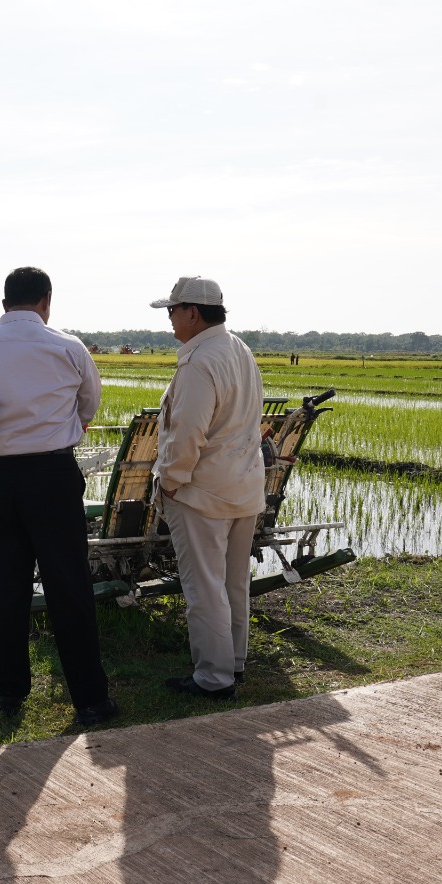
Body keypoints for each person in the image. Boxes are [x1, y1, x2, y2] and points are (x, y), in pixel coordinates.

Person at [0, 266, 117, 726]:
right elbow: (89, 405)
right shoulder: (69, 346)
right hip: (52, 475)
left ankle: (9, 694)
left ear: (4, 305)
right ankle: (90, 700)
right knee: (69, 585)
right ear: (47, 301)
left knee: (2, 587)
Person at [150, 275, 265, 700]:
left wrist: (172, 482)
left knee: (204, 587)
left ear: (192, 313)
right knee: (234, 581)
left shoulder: (199, 362)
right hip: (243, 485)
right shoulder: (239, 349)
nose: (170, 321)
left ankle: (213, 679)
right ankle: (234, 662)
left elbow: (186, 435)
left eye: (172, 311)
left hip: (202, 492)